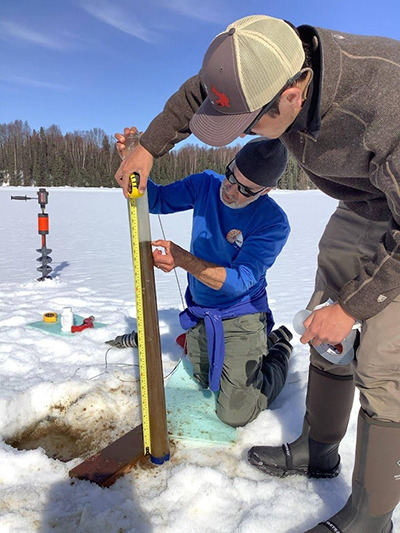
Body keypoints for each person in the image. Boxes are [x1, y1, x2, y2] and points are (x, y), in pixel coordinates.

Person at [114, 15, 400, 533]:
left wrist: (353, 308)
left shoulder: (386, 104)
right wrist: (149, 147)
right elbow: (201, 92)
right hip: (363, 201)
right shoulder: (259, 61)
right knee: (326, 335)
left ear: (293, 94)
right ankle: (319, 449)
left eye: (248, 124)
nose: (240, 137)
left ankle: (371, 518)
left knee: (382, 366)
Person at [146, 134, 292, 427]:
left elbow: (240, 281)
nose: (230, 190)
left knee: (235, 413)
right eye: (230, 176)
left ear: (266, 190)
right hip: (202, 307)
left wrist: (184, 260)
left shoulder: (273, 222)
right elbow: (155, 200)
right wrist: (133, 166)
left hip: (242, 313)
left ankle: (279, 347)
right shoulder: (205, 185)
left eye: (245, 190)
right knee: (202, 379)